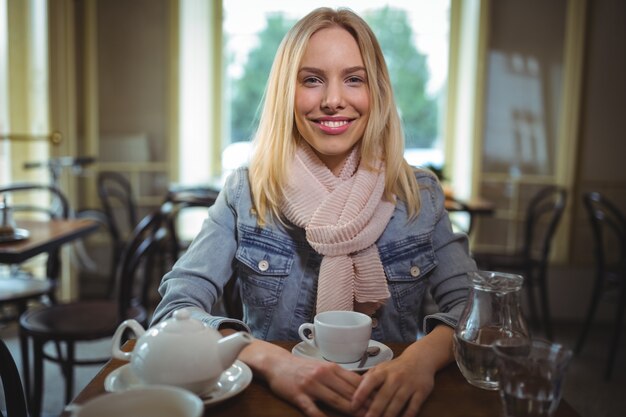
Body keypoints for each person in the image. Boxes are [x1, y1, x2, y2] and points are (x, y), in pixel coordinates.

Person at [152, 7, 475, 417]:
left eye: (354, 79)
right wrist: (271, 360)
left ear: (376, 92)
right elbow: (176, 309)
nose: (333, 100)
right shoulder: (246, 190)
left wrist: (420, 360)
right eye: (312, 80)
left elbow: (475, 308)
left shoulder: (420, 194)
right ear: (288, 91)